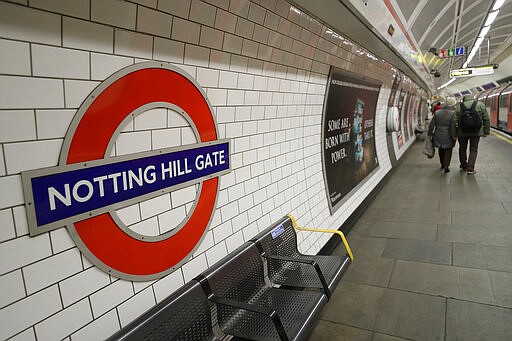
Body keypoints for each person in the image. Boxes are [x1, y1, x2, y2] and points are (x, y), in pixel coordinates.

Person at [450, 95, 490, 175]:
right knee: (473, 149)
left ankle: (464, 165)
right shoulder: (480, 105)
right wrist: (486, 131)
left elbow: (454, 121)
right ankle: (470, 168)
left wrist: (454, 133)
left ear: (464, 99)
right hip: (476, 132)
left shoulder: (459, 106)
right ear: (473, 98)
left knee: (462, 148)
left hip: (462, 132)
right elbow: (486, 118)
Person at [428, 97, 457, 173]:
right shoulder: (454, 113)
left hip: (438, 133)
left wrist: (430, 134)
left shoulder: (437, 112)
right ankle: (446, 165)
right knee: (448, 150)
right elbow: (454, 125)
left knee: (441, 149)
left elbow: (431, 125)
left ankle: (442, 164)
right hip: (449, 134)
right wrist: (455, 135)